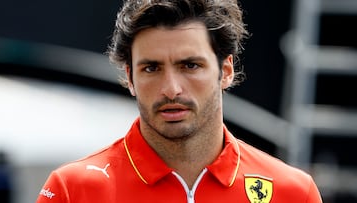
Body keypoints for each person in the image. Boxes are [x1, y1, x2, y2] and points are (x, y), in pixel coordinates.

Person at [36, 0, 323, 202]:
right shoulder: (73, 190)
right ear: (130, 78)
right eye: (151, 68)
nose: (171, 89)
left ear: (225, 70)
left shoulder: (293, 193)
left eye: (190, 66)